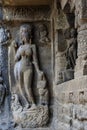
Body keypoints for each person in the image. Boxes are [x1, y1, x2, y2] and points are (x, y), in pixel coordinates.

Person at [13, 24, 41, 109]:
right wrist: (15, 49)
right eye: (22, 32)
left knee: (28, 86)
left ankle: (33, 104)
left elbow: (35, 60)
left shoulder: (32, 46)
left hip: (28, 67)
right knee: (21, 87)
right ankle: (27, 103)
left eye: (25, 32)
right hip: (19, 67)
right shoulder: (20, 47)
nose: (23, 34)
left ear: (29, 34)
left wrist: (38, 71)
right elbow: (16, 59)